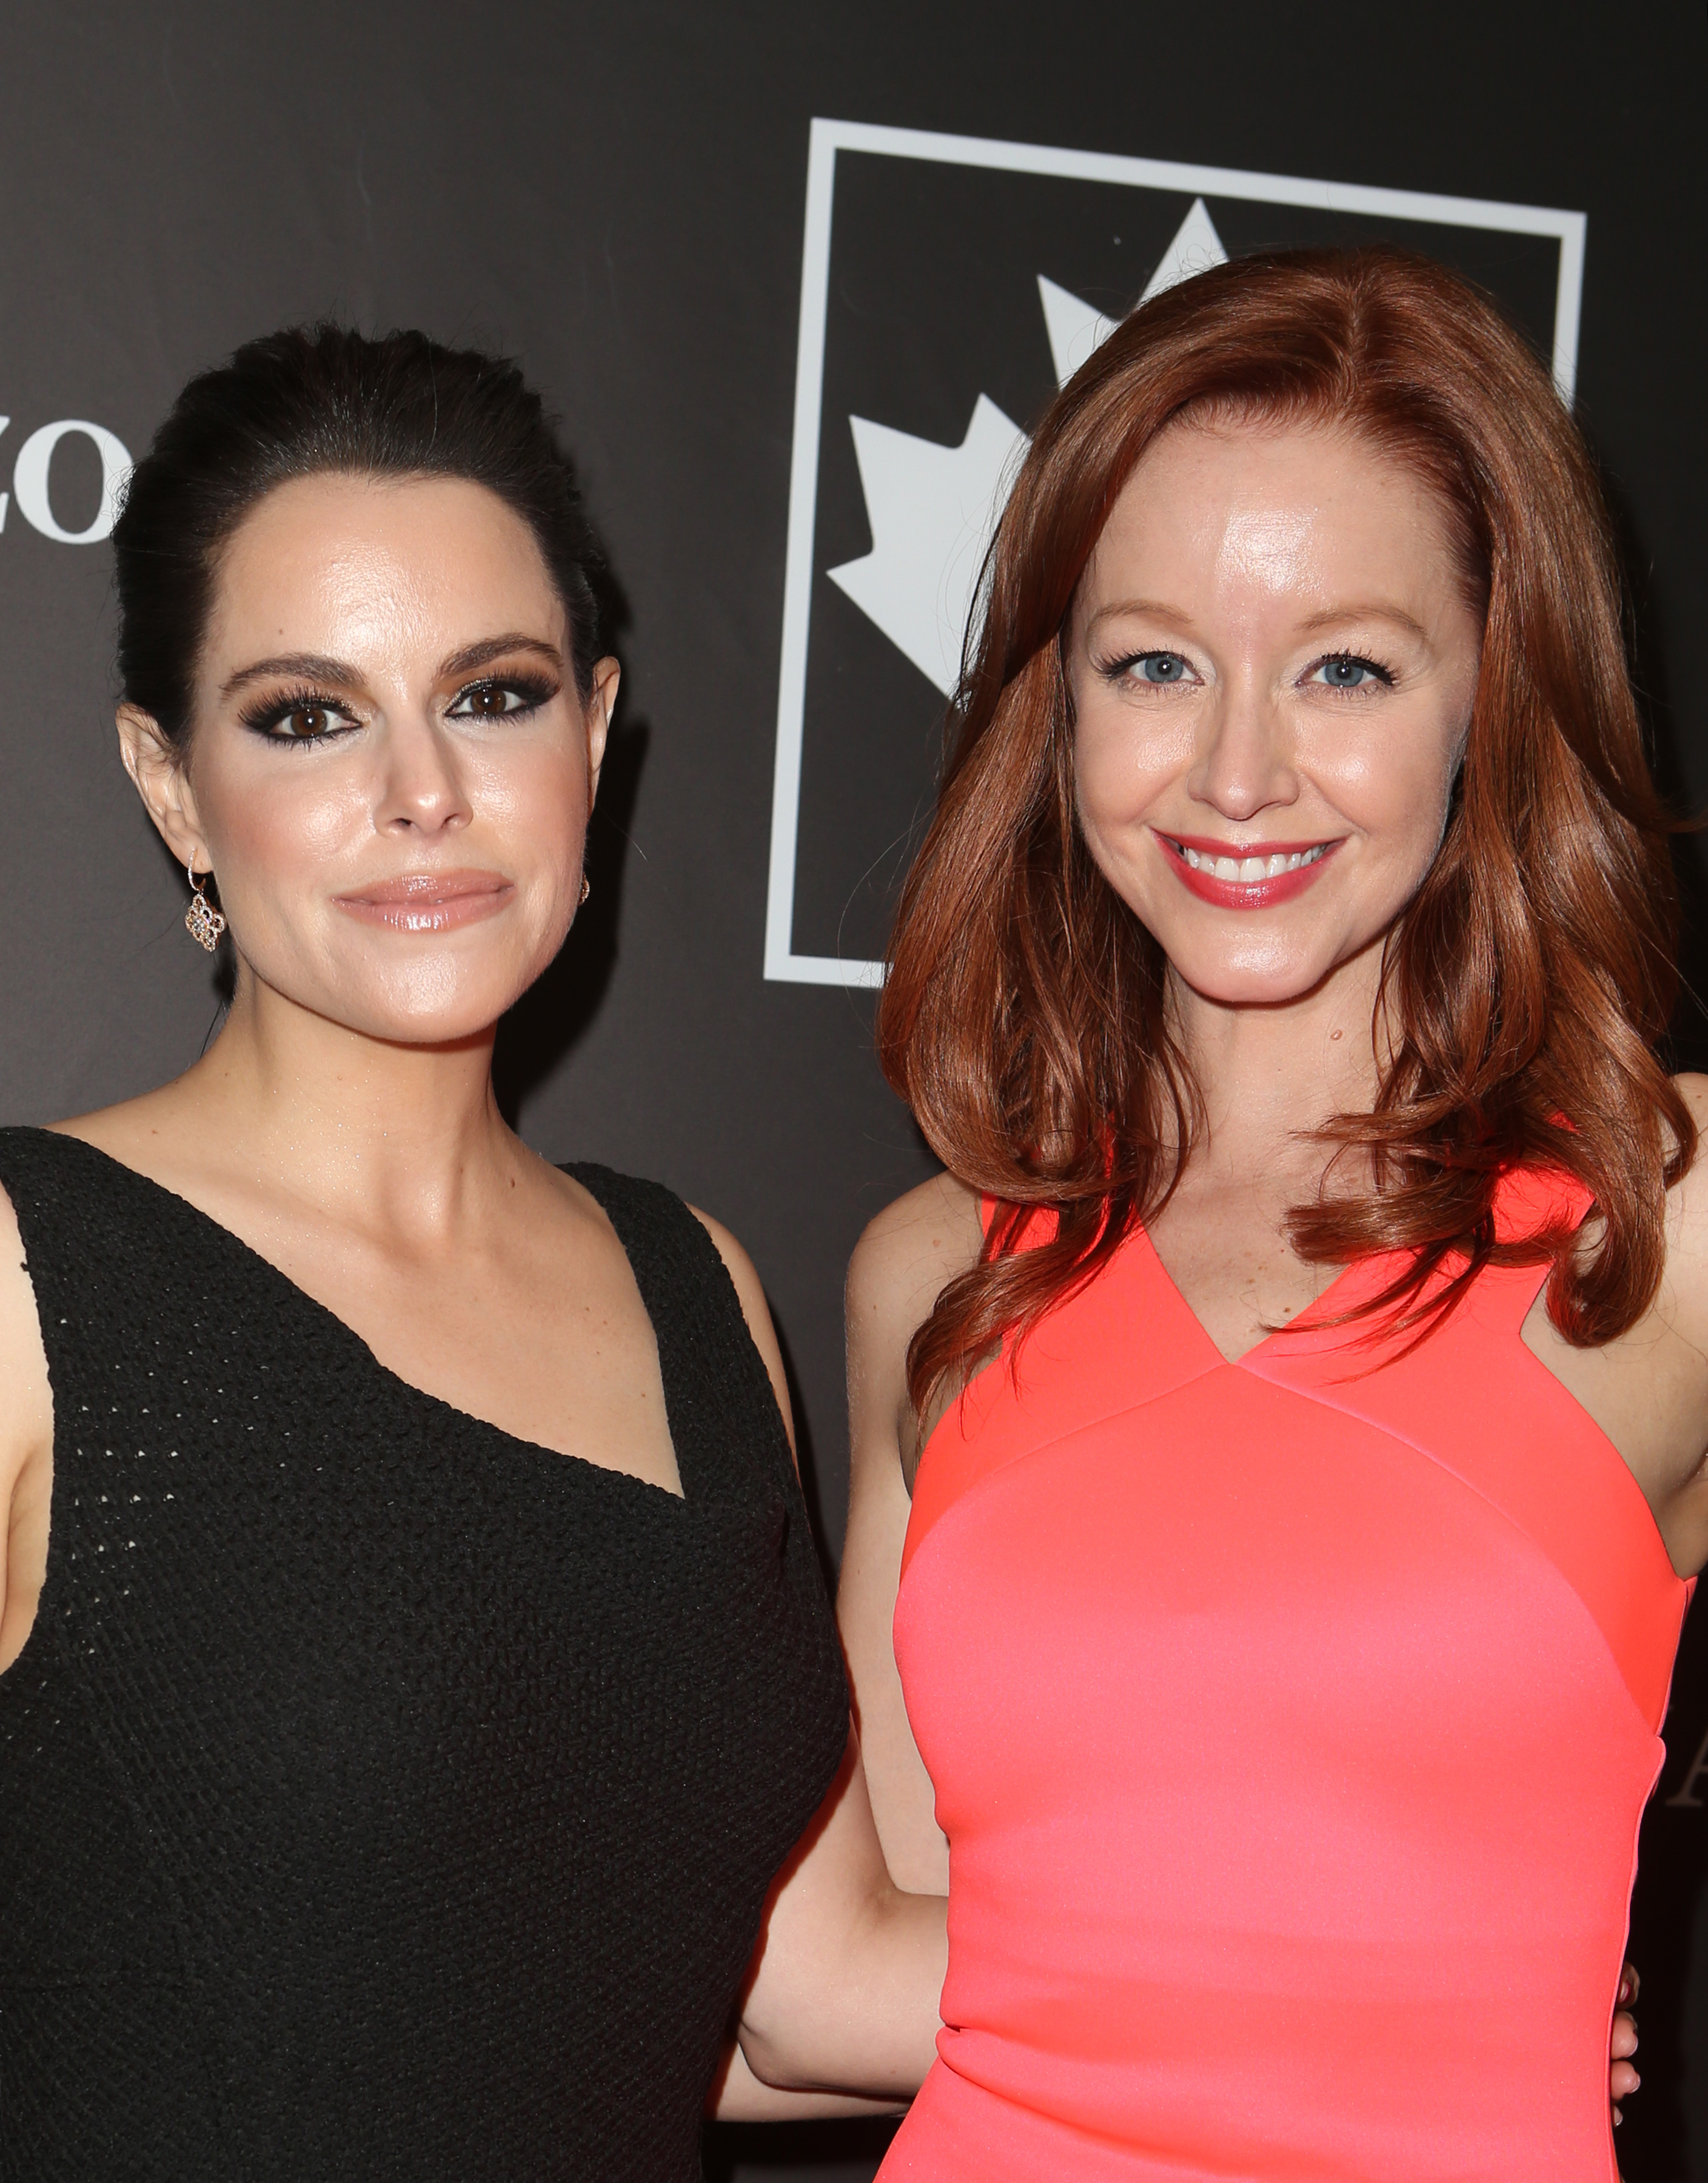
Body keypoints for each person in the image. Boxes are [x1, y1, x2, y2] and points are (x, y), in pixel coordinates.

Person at [0, 326, 944, 2181]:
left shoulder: (695, 1289)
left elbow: (802, 1988)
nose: (422, 789)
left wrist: (1396, 1952)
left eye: (493, 696)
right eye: (307, 716)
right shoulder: (36, 1288)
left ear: (593, 732)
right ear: (172, 787)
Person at [841, 246, 1692, 2179]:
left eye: (1344, 669)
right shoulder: (931, 1272)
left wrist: (1472, 1995)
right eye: (1153, 664)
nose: (1236, 772)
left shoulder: (1669, 1217)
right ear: (1053, 706)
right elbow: (842, 1979)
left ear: (1490, 696)